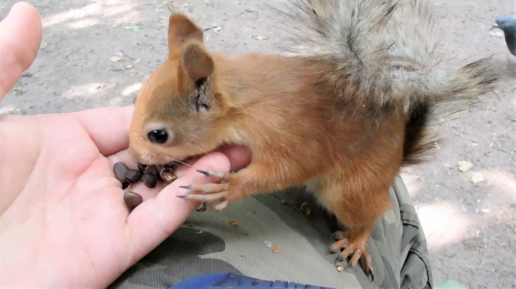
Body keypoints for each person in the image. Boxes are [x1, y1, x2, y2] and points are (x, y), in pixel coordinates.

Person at [0, 2, 433, 289]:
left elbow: (300, 163)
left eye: (157, 137)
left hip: (352, 160)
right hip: (313, 139)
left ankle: (361, 233)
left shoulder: (271, 120)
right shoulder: (240, 91)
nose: (140, 156)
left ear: (205, 95)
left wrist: (240, 186)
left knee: (342, 196)